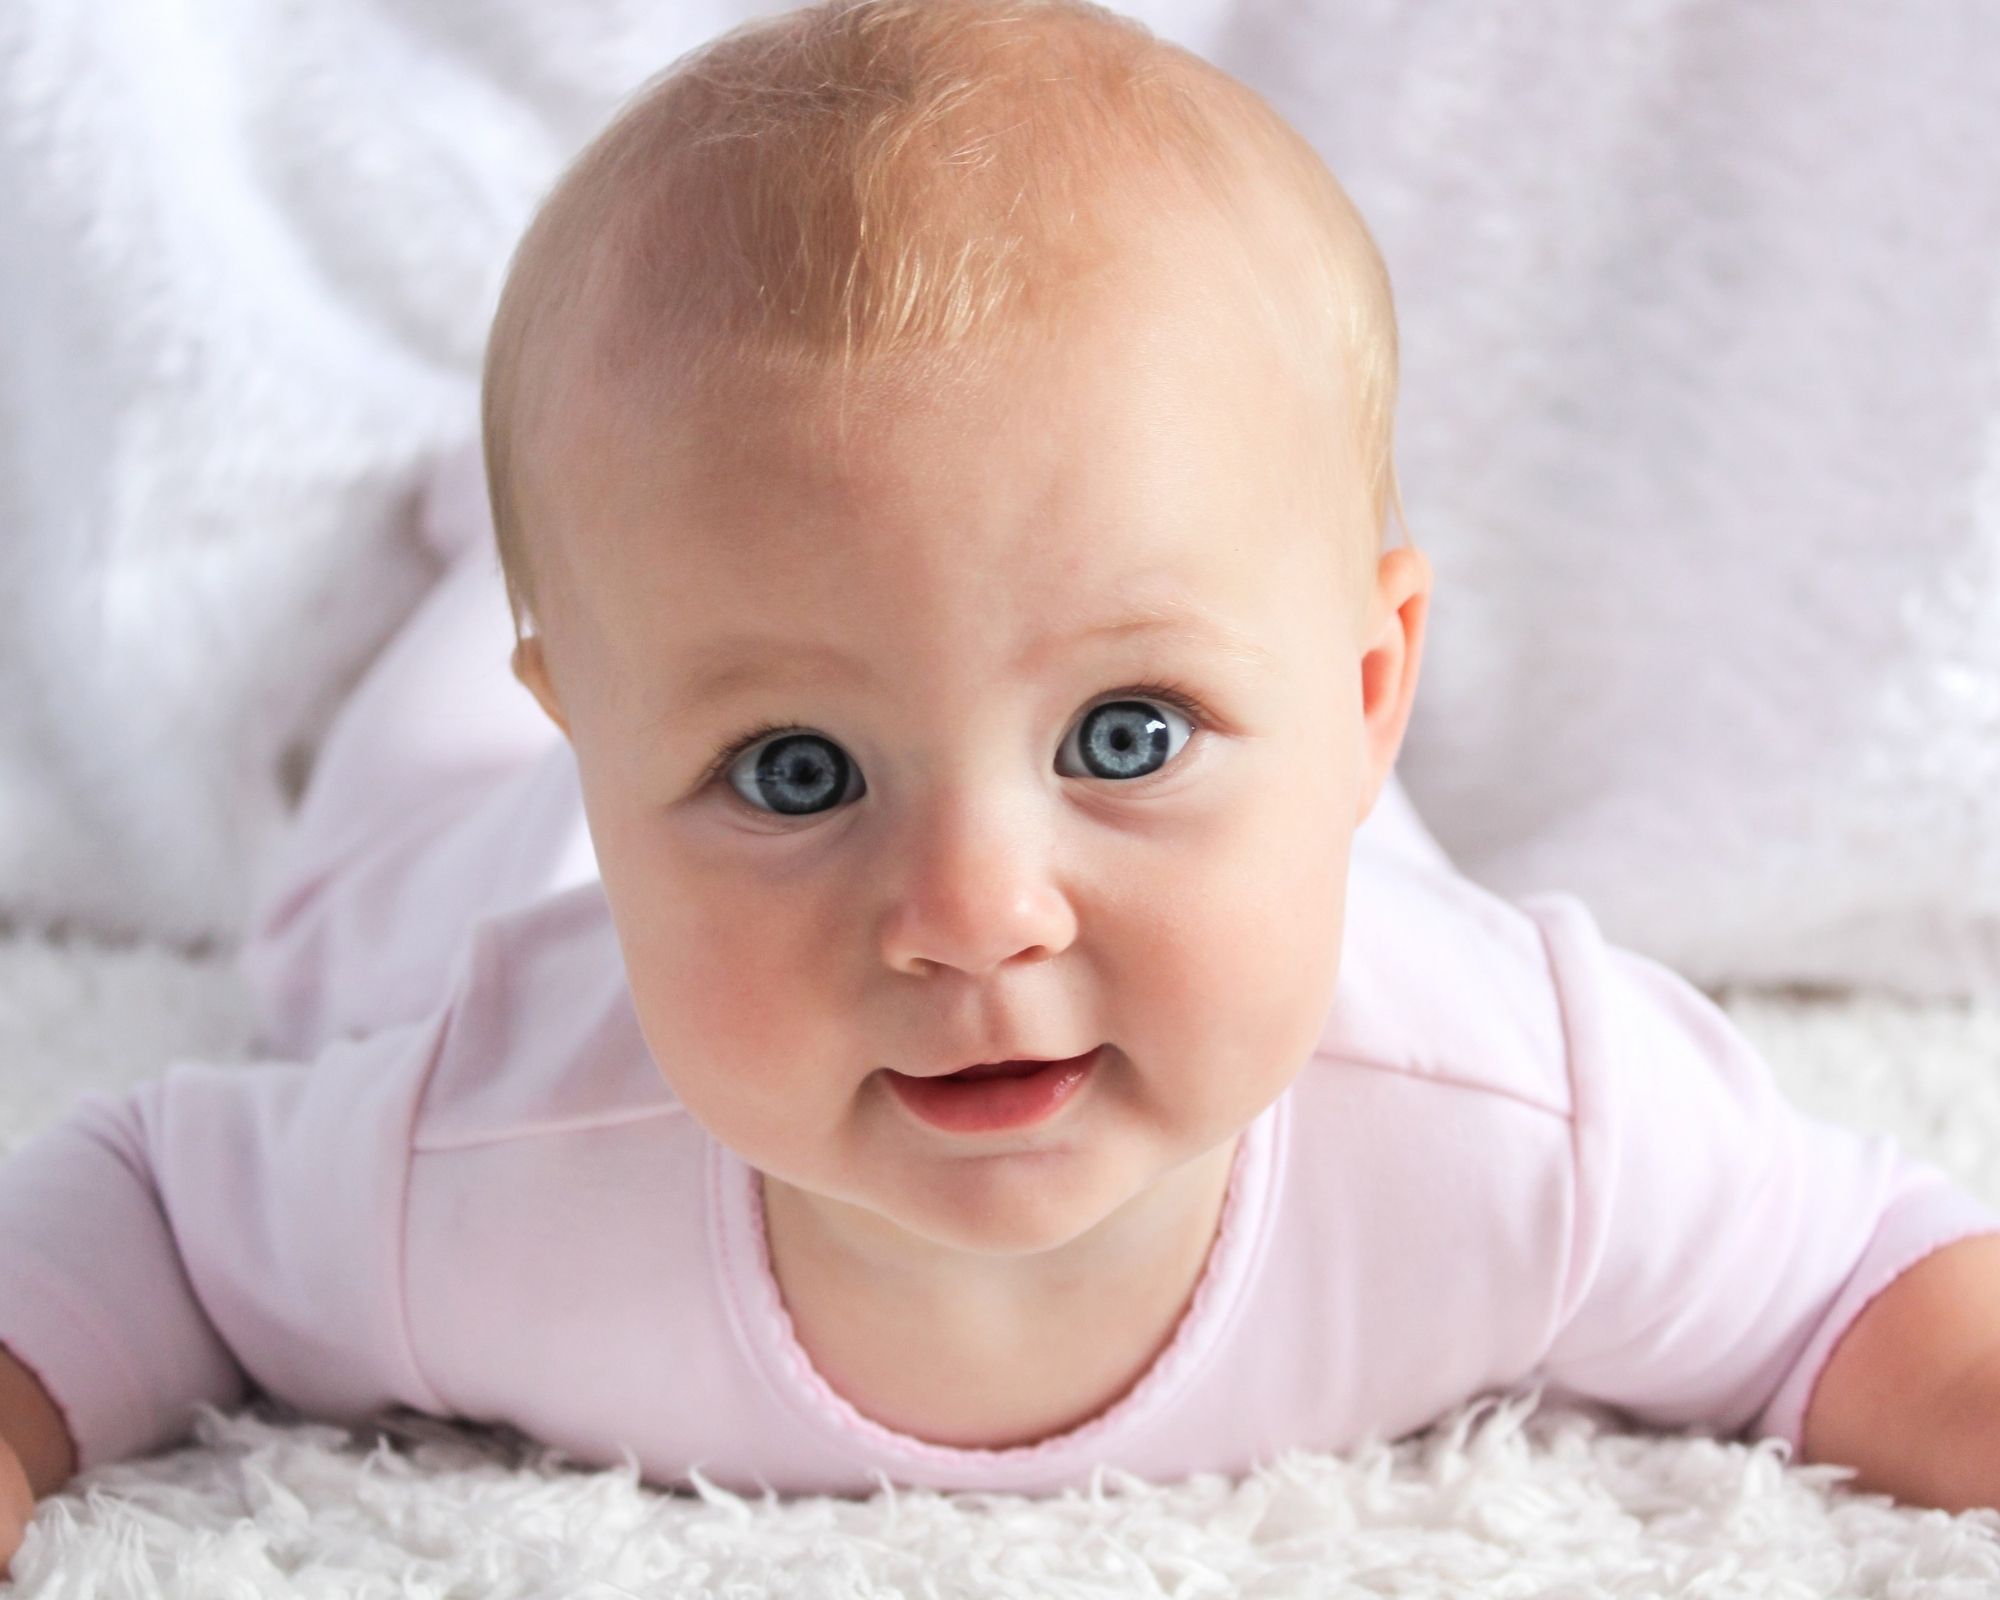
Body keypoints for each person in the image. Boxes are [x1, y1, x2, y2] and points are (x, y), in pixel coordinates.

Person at [6, 0, 2000, 1572]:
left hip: (1308, 844)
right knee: (365, 890)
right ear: (601, 758)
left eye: (1120, 733)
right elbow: (156, 1217)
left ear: (1384, 681)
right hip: (476, 855)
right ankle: (489, 552)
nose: (969, 907)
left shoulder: (1518, 1116)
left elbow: (1861, 1283)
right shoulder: (479, 1154)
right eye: (791, 770)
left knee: (1239, 806)